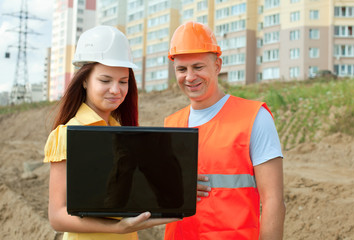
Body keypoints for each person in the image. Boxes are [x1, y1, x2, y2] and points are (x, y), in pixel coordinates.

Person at [43, 25, 177, 240]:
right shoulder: (67, 134)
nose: (116, 90)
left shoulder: (126, 136)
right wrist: (118, 228)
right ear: (84, 80)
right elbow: (57, 217)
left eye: (123, 82)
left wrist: (179, 185)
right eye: (105, 80)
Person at [164, 21, 286, 240]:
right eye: (182, 69)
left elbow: (274, 200)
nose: (190, 77)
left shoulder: (255, 118)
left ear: (217, 65)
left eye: (198, 67)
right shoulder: (171, 124)